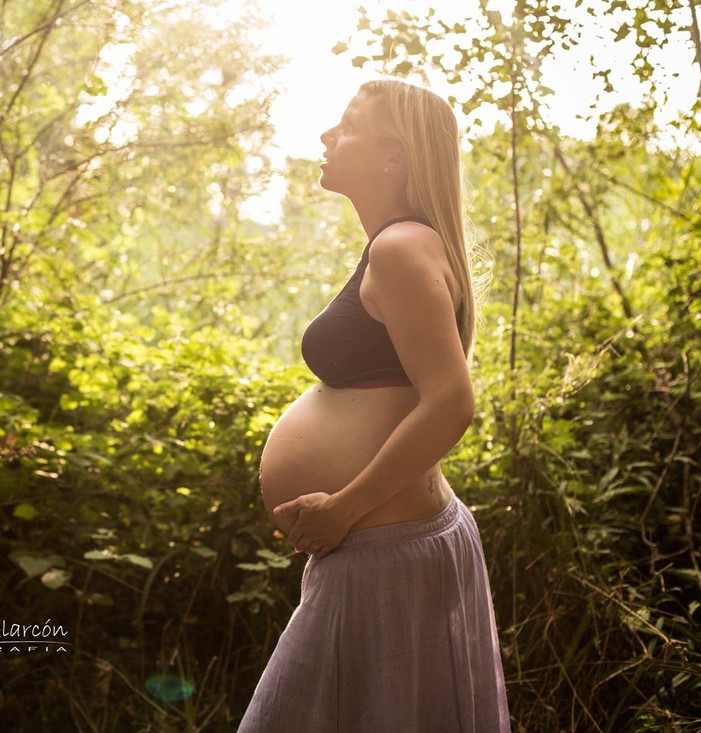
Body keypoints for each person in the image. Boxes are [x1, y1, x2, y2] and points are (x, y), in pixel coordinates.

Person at [239, 79, 511, 732]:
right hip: (383, 544)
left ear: (394, 156)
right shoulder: (402, 244)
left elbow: (451, 402)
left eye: (348, 126)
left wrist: (342, 507)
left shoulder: (398, 248)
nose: (328, 137)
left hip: (381, 545)